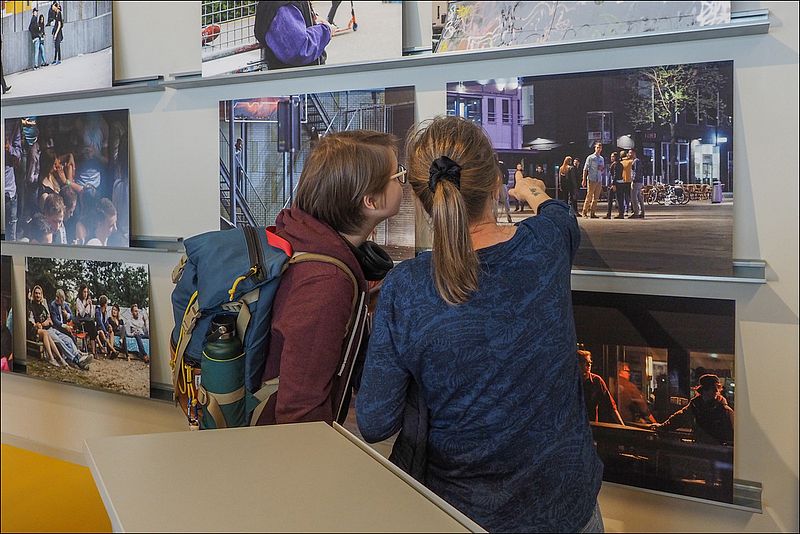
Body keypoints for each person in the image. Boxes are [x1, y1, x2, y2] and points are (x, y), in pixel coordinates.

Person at [357, 116, 603, 533]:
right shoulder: (544, 245)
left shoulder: (406, 287)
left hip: (460, 515)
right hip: (567, 508)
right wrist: (532, 191)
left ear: (421, 197)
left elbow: (375, 420)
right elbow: (559, 214)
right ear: (495, 183)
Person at [255, 130, 402, 425]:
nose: (403, 182)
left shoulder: (304, 240)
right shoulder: (327, 283)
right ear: (371, 201)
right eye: (398, 175)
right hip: (284, 444)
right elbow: (300, 411)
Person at [653, 374, 734, 445]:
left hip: (716, 449)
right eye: (712, 389)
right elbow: (679, 418)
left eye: (716, 389)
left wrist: (661, 427)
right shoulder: (695, 405)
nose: (715, 392)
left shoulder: (724, 409)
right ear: (703, 390)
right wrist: (662, 427)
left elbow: (731, 434)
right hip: (704, 448)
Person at [253, 1, 331, 70]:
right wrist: (326, 30)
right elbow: (299, 51)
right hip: (295, 77)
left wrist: (312, 18)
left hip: (298, 75)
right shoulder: (283, 8)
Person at [28, 285, 89, 370]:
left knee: (68, 339)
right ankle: (75, 359)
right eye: (36, 293)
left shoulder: (45, 305)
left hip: (52, 328)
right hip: (48, 330)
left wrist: (66, 315)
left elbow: (68, 317)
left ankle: (78, 355)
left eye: (39, 293)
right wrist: (44, 323)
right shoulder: (37, 306)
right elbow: (38, 323)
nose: (38, 295)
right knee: (60, 342)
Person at [578, 350, 624, 425]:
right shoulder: (568, 381)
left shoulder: (596, 381)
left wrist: (622, 426)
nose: (589, 365)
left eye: (590, 362)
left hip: (591, 427)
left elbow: (611, 406)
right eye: (585, 362)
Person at [4, 119, 21, 241]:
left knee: (11, 240)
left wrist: (8, 148)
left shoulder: (14, 123)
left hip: (9, 191)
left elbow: (18, 153)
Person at [581, 142, 604, 218]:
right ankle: (584, 212)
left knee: (596, 198)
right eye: (597, 147)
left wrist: (601, 169)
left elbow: (602, 169)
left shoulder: (601, 159)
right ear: (595, 148)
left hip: (599, 179)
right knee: (589, 196)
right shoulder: (590, 157)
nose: (599, 149)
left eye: (600, 148)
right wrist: (584, 179)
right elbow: (585, 169)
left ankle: (592, 213)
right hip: (592, 179)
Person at [75, 285, 97, 353]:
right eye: (84, 292)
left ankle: (93, 351)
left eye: (87, 292)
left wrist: (91, 306)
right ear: (81, 292)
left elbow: (92, 315)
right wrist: (85, 305)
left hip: (89, 321)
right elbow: (82, 314)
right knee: (92, 326)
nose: (86, 294)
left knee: (92, 325)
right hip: (81, 321)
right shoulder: (78, 300)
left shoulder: (87, 300)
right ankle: (93, 351)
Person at [604, 151, 623, 219]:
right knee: (619, 199)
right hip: (619, 183)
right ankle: (621, 214)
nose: (611, 158)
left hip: (615, 183)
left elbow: (615, 175)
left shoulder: (615, 165)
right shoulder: (620, 164)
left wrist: (613, 184)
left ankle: (609, 214)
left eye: (612, 156)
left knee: (610, 199)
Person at [629, 148, 645, 219]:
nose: (629, 154)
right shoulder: (638, 161)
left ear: (634, 153)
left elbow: (635, 171)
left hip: (636, 181)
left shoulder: (635, 161)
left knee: (634, 197)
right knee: (639, 197)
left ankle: (636, 212)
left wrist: (633, 179)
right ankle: (642, 212)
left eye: (630, 153)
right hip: (640, 181)